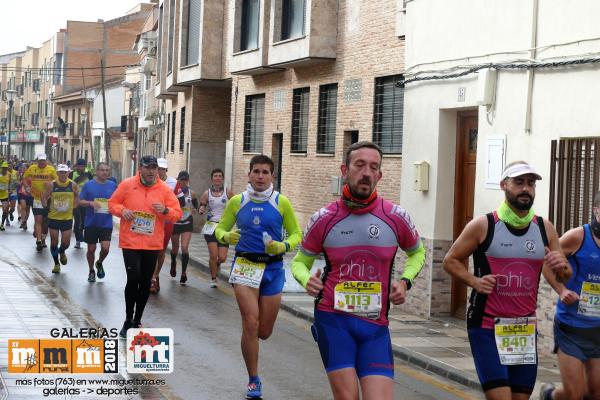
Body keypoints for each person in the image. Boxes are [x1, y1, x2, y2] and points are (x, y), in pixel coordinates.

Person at [291, 141, 426, 400]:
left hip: (375, 326)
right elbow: (299, 262)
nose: (366, 172)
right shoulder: (324, 218)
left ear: (379, 175)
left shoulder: (395, 217)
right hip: (333, 319)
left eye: (373, 167)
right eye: (360, 165)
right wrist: (306, 279)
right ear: (345, 169)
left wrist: (405, 281)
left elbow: (417, 252)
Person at [443, 161, 572, 400]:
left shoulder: (545, 228)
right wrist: (474, 281)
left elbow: (565, 275)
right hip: (487, 325)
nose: (526, 189)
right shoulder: (484, 225)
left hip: (523, 328)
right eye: (519, 182)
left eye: (531, 184)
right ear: (504, 185)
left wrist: (561, 266)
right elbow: (450, 260)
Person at [215, 155, 303, 399]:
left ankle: (253, 342)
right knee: (250, 323)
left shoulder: (281, 202)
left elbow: (297, 235)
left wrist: (283, 246)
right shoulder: (237, 201)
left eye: (265, 172)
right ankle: (254, 380)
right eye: (256, 172)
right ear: (249, 175)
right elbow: (220, 228)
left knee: (264, 331)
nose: (261, 176)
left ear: (272, 176)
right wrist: (226, 237)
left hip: (273, 269)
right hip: (245, 266)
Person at [108, 155, 182, 338]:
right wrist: (122, 211)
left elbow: (177, 213)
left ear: (158, 170)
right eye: (148, 168)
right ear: (140, 168)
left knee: (145, 282)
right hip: (130, 241)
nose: (151, 171)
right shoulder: (127, 184)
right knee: (133, 278)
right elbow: (112, 204)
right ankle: (127, 319)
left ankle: (137, 319)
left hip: (152, 243)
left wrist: (165, 211)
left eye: (154, 168)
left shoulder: (164, 190)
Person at [538, 191, 600, 400]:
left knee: (595, 392)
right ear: (596, 210)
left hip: (598, 329)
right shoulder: (578, 236)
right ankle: (550, 396)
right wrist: (562, 290)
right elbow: (547, 263)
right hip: (571, 326)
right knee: (575, 394)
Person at [78, 162, 117, 283]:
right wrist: (90, 203)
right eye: (102, 170)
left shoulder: (113, 185)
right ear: (96, 171)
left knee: (105, 249)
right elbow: (80, 202)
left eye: (107, 170)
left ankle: (99, 262)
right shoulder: (88, 185)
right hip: (91, 223)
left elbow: (119, 201)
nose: (105, 172)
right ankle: (91, 271)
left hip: (106, 223)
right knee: (91, 249)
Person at [199, 168, 234, 288]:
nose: (218, 178)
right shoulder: (206, 193)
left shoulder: (227, 192)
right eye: (215, 176)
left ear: (223, 178)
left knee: (222, 258)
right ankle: (213, 279)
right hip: (211, 227)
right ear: (212, 179)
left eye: (220, 176)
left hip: (223, 227)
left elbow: (236, 204)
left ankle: (216, 264)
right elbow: (201, 206)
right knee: (213, 255)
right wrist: (201, 209)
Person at [42, 164, 79, 273]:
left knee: (66, 243)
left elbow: (77, 196)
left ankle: (62, 251)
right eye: (61, 172)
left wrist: (75, 207)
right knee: (54, 242)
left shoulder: (73, 184)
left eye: (65, 172)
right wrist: (45, 207)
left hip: (67, 218)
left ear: (68, 173)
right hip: (53, 217)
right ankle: (56, 264)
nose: (63, 174)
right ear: (57, 173)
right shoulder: (52, 185)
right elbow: (44, 197)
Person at [170, 171, 200, 284]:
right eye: (181, 180)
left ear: (188, 180)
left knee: (184, 247)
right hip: (175, 223)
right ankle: (173, 262)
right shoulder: (173, 192)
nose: (183, 182)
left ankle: (183, 273)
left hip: (187, 222)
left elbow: (195, 205)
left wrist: (195, 210)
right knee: (175, 248)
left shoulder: (192, 193)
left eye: (185, 180)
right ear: (178, 180)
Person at [23, 154, 57, 251]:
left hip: (48, 199)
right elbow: (25, 179)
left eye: (43, 160)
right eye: (40, 161)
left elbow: (56, 181)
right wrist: (26, 187)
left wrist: (50, 184)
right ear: (37, 161)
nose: (41, 162)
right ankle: (38, 240)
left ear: (46, 160)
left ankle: (43, 238)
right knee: (38, 220)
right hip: (37, 198)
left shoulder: (51, 169)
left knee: (46, 221)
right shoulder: (32, 168)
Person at [70, 158, 93, 249]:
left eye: (83, 166)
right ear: (76, 166)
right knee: (77, 221)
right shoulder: (72, 174)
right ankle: (78, 240)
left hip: (85, 201)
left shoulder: (88, 175)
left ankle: (80, 235)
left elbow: (92, 185)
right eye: (80, 166)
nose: (81, 168)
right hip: (75, 201)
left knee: (83, 222)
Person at [17, 163, 30, 230]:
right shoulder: (21, 175)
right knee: (23, 207)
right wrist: (21, 181)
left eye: (24, 167)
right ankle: (23, 221)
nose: (22, 168)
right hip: (21, 193)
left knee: (27, 209)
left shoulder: (31, 175)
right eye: (22, 167)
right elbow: (18, 183)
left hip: (29, 194)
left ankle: (25, 222)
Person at [0, 162, 10, 231]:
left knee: (5, 210)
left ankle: (2, 224)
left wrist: (10, 189)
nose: (4, 170)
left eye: (6, 168)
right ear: (1, 168)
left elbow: (11, 183)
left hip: (5, 195)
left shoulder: (9, 174)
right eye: (3, 168)